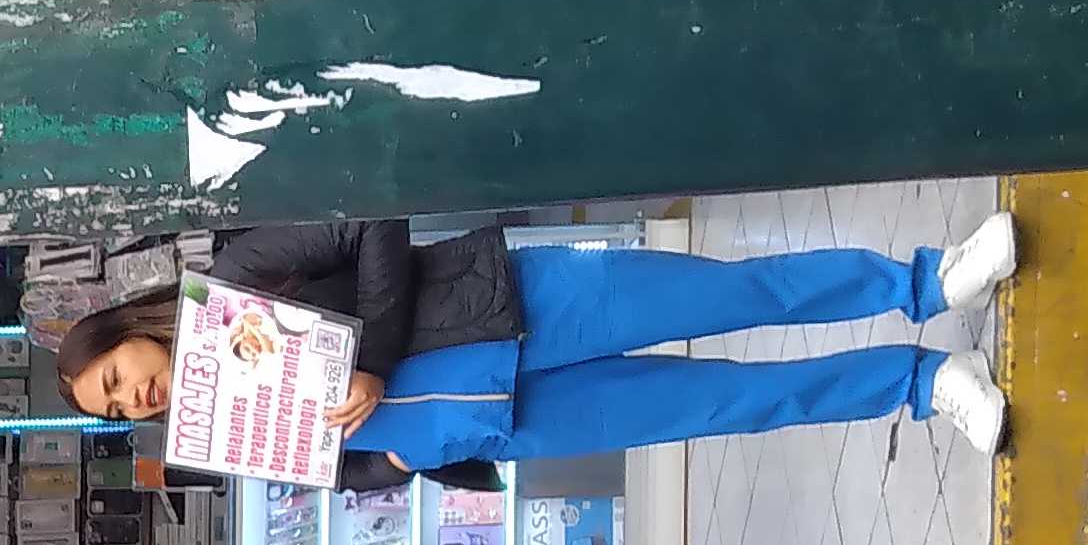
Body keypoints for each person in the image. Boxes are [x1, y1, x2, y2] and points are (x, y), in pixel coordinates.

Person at [55, 211, 1019, 471]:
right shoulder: (219, 435)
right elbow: (337, 473)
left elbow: (372, 220)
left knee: (734, 294)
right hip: (500, 422)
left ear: (127, 333)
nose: (134, 397)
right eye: (116, 408)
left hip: (513, 304)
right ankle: (926, 383)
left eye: (117, 376)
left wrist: (374, 358)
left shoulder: (236, 278)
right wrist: (390, 463)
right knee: (732, 404)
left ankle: (927, 282)